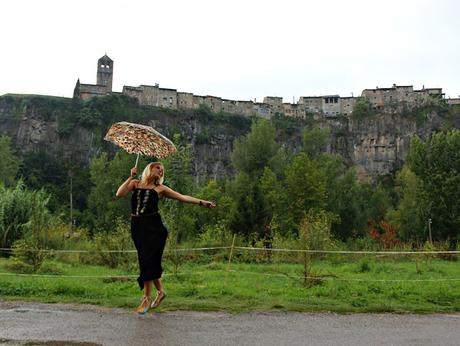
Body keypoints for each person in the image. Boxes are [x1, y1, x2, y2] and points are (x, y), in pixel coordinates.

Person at [116, 161, 216, 314]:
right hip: (137, 227)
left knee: (148, 261)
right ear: (149, 169)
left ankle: (146, 299)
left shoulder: (160, 188)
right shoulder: (135, 184)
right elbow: (119, 193)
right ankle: (161, 292)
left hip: (154, 228)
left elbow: (182, 197)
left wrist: (202, 202)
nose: (161, 171)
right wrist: (130, 177)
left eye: (162, 170)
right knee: (147, 261)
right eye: (158, 168)